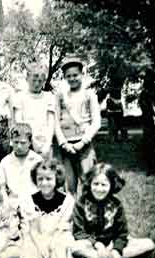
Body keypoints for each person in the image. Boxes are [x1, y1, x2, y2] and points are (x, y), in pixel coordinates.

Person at [72, 163, 155, 258]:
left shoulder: (116, 205)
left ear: (111, 185)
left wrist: (116, 250)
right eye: (95, 184)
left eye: (104, 185)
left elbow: (122, 233)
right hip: (91, 246)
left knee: (149, 244)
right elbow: (78, 232)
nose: (99, 189)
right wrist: (98, 245)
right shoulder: (81, 203)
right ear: (89, 183)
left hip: (112, 245)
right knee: (75, 247)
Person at [55, 56, 100, 195]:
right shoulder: (61, 95)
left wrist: (83, 141)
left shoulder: (89, 94)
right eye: (68, 76)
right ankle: (72, 214)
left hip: (84, 145)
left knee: (89, 182)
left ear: (82, 74)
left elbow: (96, 122)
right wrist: (63, 143)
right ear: (64, 77)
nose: (72, 78)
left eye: (75, 75)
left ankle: (89, 213)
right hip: (66, 147)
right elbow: (56, 121)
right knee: (69, 185)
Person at [20, 158, 75, 258]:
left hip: (58, 236)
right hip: (35, 237)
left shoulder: (67, 201)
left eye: (49, 179)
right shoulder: (28, 201)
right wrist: (41, 246)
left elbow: (63, 227)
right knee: (29, 249)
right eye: (40, 179)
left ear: (57, 178)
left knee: (60, 246)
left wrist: (52, 244)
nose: (44, 183)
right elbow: (31, 229)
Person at [13, 63, 56, 159]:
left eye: (40, 81)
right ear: (27, 78)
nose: (37, 84)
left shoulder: (49, 97)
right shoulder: (20, 97)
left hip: (45, 143)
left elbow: (51, 121)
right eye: (34, 80)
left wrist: (48, 143)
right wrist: (31, 141)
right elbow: (19, 122)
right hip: (26, 143)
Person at [0, 123, 43, 205]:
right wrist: (6, 202)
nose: (19, 146)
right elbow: (1, 187)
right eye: (16, 142)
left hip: (35, 203)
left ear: (30, 142)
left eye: (23, 143)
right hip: (13, 203)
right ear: (11, 141)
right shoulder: (5, 161)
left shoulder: (37, 160)